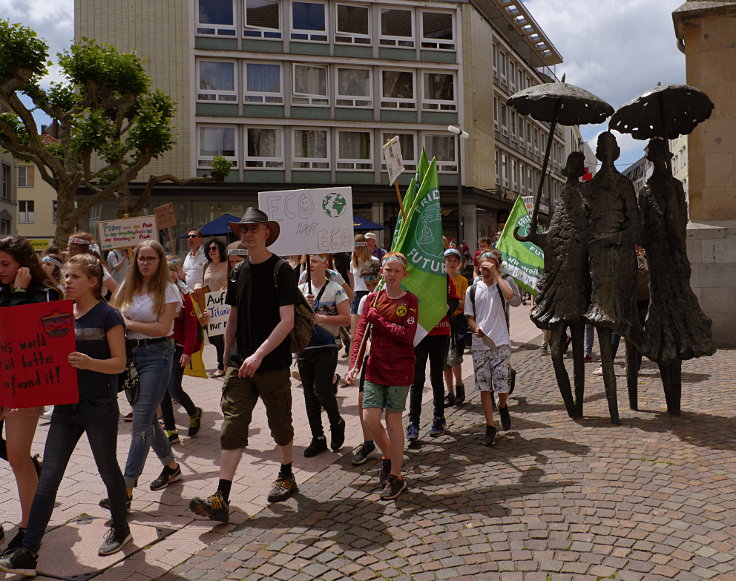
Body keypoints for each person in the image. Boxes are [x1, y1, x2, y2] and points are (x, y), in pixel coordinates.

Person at [0, 254, 131, 576]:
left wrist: (90, 363)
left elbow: (120, 364)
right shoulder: (59, 313)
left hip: (99, 406)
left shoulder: (108, 316)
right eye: (65, 277)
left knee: (108, 470)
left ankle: (120, 526)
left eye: (73, 277)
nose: (66, 282)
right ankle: (29, 551)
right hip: (65, 407)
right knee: (49, 479)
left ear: (92, 281)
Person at [189, 208, 301, 522]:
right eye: (244, 229)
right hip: (240, 364)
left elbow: (287, 322)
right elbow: (233, 317)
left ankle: (287, 474)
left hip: (272, 362)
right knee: (232, 424)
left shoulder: (281, 270)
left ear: (267, 232)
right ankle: (221, 497)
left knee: (280, 422)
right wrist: (225, 355)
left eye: (255, 228)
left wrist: (259, 355)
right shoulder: (237, 272)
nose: (248, 233)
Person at [638, 138, 715, 414]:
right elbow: (642, 233)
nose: (660, 160)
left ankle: (676, 403)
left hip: (675, 263)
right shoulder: (645, 193)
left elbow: (680, 225)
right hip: (658, 265)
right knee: (661, 326)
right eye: (655, 156)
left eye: (662, 155)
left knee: (680, 323)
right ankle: (671, 400)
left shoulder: (676, 187)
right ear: (651, 159)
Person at [106, 240, 182, 507]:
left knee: (140, 425)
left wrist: (127, 323)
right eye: (141, 258)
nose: (145, 263)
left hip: (157, 355)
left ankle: (124, 490)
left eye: (151, 258)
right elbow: (112, 313)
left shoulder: (169, 290)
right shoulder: (127, 286)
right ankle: (172, 467)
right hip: (129, 357)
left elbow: (162, 328)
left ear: (160, 262)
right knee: (148, 419)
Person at [0, 236, 62, 551]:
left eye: (5, 264)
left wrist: (20, 294)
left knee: (17, 457)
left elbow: (27, 332)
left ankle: (27, 530)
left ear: (24, 266)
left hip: (25, 386)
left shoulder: (45, 293)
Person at [347, 252, 417, 501]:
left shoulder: (410, 301)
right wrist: (353, 364)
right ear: (382, 272)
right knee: (369, 419)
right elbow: (360, 334)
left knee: (393, 421)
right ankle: (387, 455)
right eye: (388, 270)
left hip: (400, 368)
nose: (392, 274)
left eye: (397, 271)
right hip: (375, 366)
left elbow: (406, 336)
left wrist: (380, 321)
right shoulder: (371, 300)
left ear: (404, 274)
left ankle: (396, 476)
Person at [582, 132, 641, 424]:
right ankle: (613, 409)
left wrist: (616, 236)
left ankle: (632, 399)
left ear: (617, 152)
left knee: (629, 327)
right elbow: (581, 230)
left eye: (612, 147)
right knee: (603, 324)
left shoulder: (626, 185)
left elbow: (636, 228)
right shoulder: (589, 189)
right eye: (603, 147)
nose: (607, 151)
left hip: (622, 259)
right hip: (600, 261)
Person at [297, 254, 350, 457]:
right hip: (304, 348)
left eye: (314, 262)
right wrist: (303, 307)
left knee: (321, 390)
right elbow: (290, 318)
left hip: (327, 346)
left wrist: (322, 317)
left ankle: (336, 421)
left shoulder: (335, 289)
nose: (310, 265)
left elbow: (346, 319)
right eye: (307, 262)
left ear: (325, 265)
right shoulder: (300, 290)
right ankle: (317, 438)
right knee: (309, 395)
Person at [465, 250, 517, 446]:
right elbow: (469, 317)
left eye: (490, 266)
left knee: (503, 384)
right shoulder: (472, 289)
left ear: (497, 267)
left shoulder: (500, 285)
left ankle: (502, 404)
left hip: (501, 341)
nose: (485, 269)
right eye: (482, 266)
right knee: (484, 386)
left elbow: (511, 296)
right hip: (481, 344)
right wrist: (475, 328)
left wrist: (496, 275)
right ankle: (490, 426)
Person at [407, 274, 458, 442]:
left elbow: (454, 301)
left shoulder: (443, 276)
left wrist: (441, 308)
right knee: (417, 379)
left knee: (436, 377)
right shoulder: (415, 272)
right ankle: (413, 422)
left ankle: (439, 418)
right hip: (419, 333)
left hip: (440, 332)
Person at [160, 260, 203, 443]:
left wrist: (186, 351)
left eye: (173, 270)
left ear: (178, 272)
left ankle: (193, 411)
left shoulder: (184, 296)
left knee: (174, 388)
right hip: (159, 348)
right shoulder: (155, 295)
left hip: (177, 349)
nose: (170, 274)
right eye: (165, 271)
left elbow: (191, 328)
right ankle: (171, 430)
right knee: (162, 391)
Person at [348, 261, 381, 466]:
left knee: (389, 408)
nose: (372, 288)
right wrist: (354, 365)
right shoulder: (365, 301)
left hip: (390, 359)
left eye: (375, 283)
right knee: (363, 399)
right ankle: (368, 442)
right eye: (368, 285)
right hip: (371, 359)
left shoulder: (394, 296)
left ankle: (391, 451)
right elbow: (358, 335)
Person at [443, 248, 469, 405]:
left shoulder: (462, 281)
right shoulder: (440, 279)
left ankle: (459, 384)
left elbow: (464, 304)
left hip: (457, 320)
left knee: (455, 358)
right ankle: (450, 391)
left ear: (459, 263)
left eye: (454, 261)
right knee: (444, 360)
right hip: (443, 321)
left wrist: (451, 301)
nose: (451, 263)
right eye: (449, 260)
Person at [201, 238, 228, 378]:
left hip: (223, 305)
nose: (211, 251)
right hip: (209, 305)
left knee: (221, 337)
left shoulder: (227, 264)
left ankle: (222, 366)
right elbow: (202, 283)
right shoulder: (206, 265)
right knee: (212, 338)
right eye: (209, 249)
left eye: (214, 248)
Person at [349, 235, 380, 356]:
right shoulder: (353, 262)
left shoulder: (374, 260)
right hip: (357, 296)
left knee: (371, 333)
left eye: (358, 248)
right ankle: (352, 365)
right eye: (354, 248)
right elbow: (353, 283)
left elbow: (379, 280)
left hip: (371, 293)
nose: (356, 251)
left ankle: (369, 361)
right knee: (354, 336)